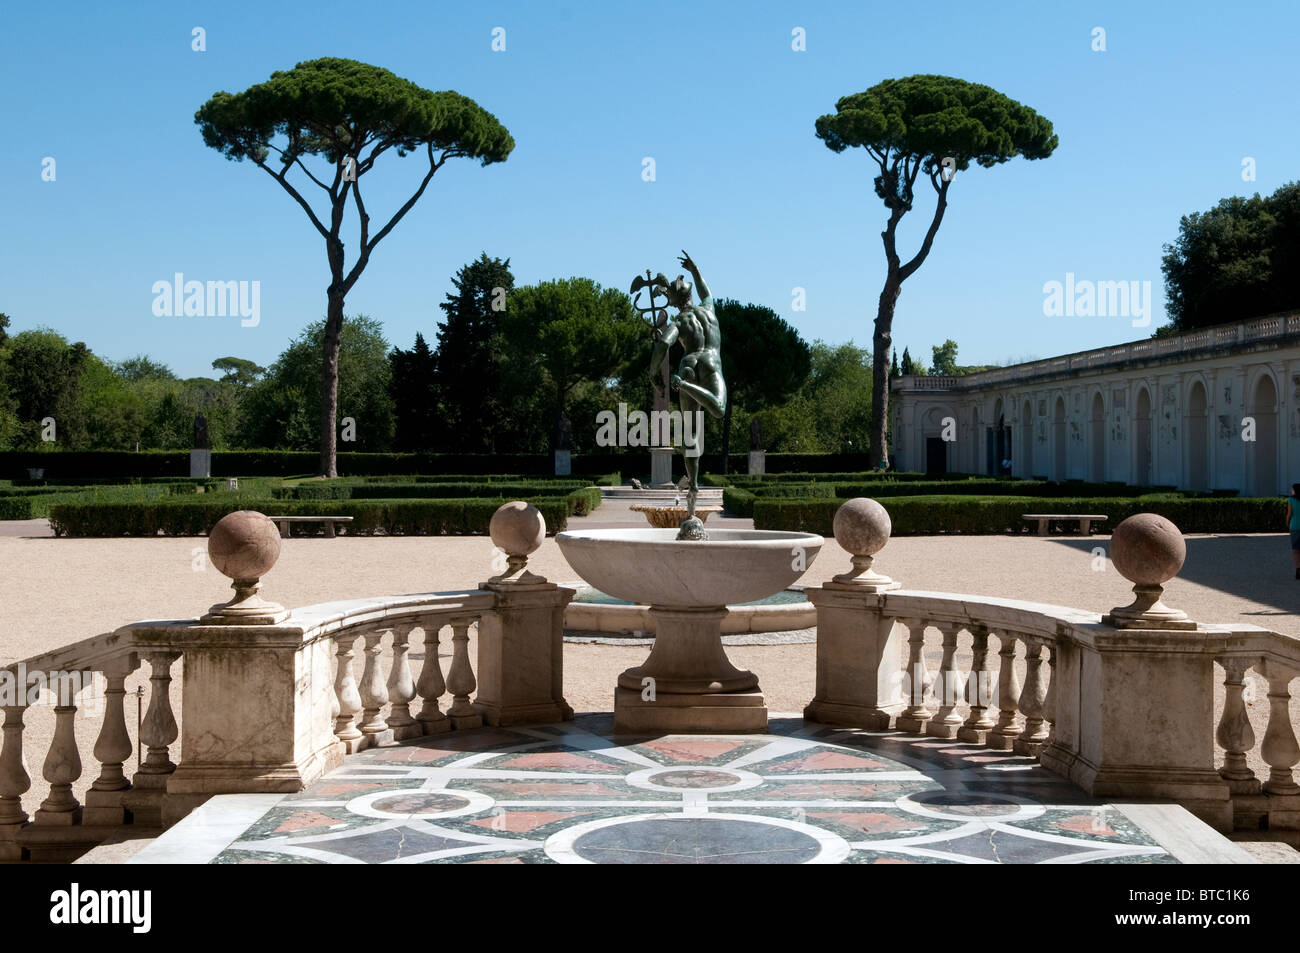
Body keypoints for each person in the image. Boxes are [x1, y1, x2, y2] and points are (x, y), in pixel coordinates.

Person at [1287, 484, 1300, 579]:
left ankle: (1298, 569)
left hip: (1295, 526)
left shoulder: (1291, 500)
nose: (1291, 490)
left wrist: (1287, 522)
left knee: (1296, 550)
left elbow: (1289, 513)